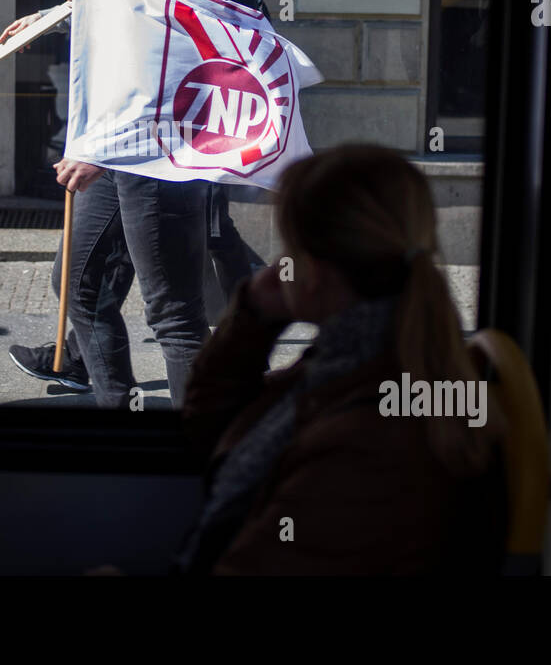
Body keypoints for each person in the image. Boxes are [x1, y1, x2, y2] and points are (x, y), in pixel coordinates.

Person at [174, 144, 507, 574]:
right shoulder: (358, 360)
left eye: (288, 248)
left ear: (310, 271)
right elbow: (215, 434)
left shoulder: (368, 438)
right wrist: (254, 317)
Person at [0, 0, 226, 409]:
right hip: (127, 149)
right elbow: (125, 14)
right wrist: (51, 18)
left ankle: (197, 466)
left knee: (175, 317)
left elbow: (166, 44)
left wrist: (104, 150)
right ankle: (114, 414)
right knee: (78, 284)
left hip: (152, 151)